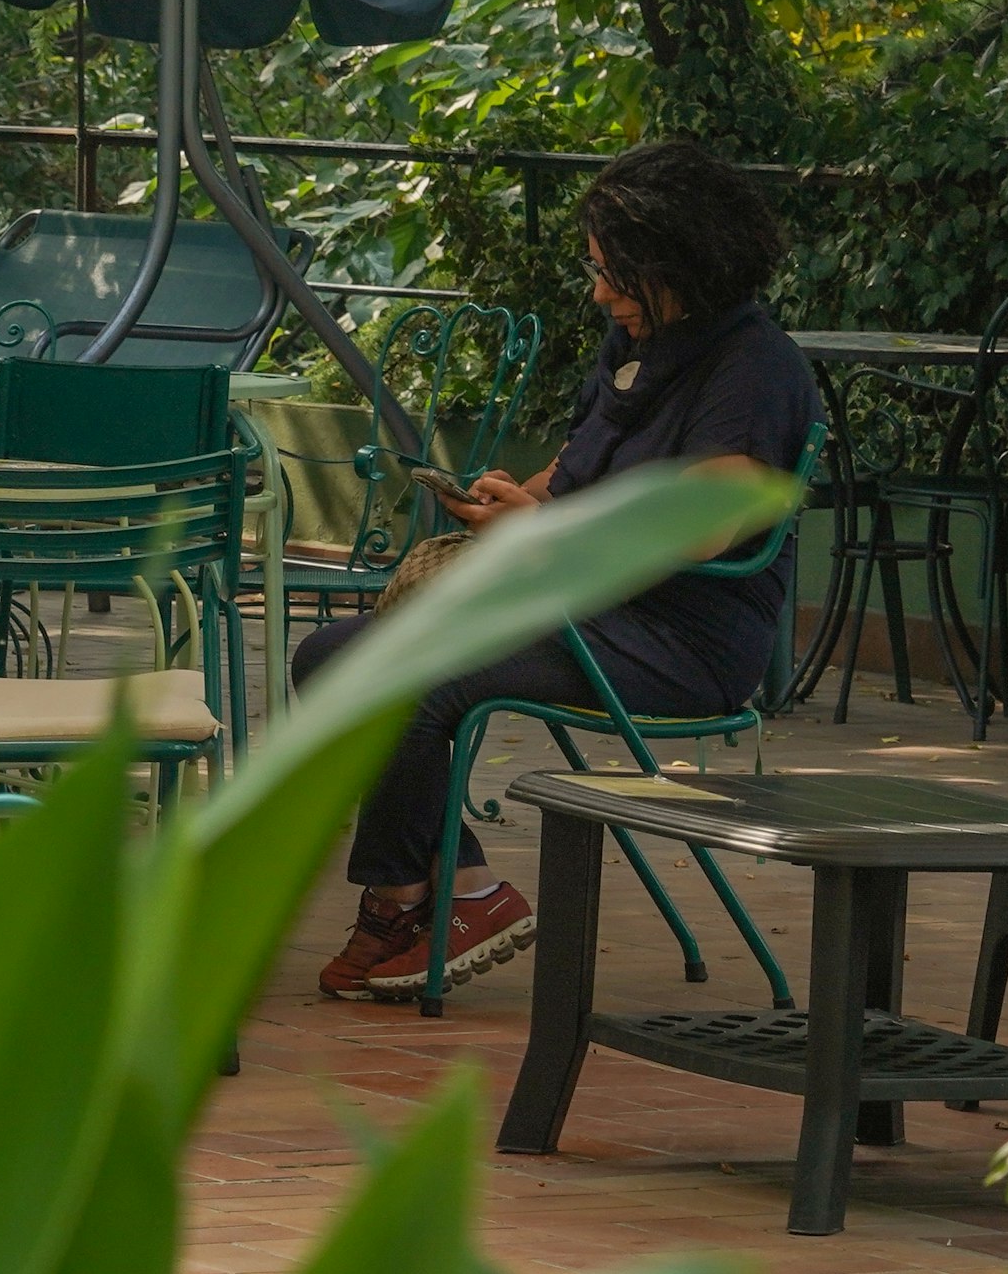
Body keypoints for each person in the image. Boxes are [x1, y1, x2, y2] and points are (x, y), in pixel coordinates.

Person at [287, 136, 821, 1004]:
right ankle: (463, 891)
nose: (601, 291)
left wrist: (549, 529)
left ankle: (397, 902)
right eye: (597, 268)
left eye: (617, 273)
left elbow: (709, 524)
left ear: (681, 264)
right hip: (582, 611)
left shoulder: (754, 370)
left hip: (681, 642)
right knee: (330, 657)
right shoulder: (633, 343)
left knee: (415, 678)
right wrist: (509, 503)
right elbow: (575, 472)